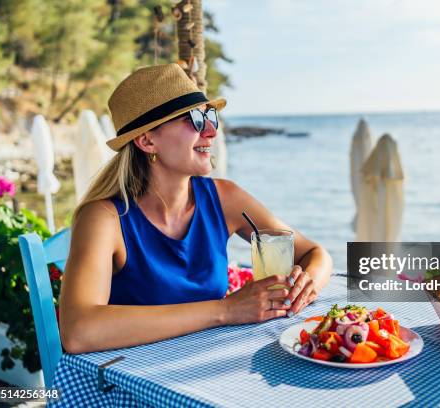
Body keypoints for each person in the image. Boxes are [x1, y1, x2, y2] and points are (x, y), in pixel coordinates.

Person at [59, 64, 332, 354]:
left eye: (209, 115)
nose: (212, 131)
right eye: (195, 119)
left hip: (203, 366)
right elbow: (78, 332)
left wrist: (306, 283)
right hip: (132, 385)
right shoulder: (105, 218)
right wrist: (226, 310)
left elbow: (316, 253)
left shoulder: (226, 198)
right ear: (147, 140)